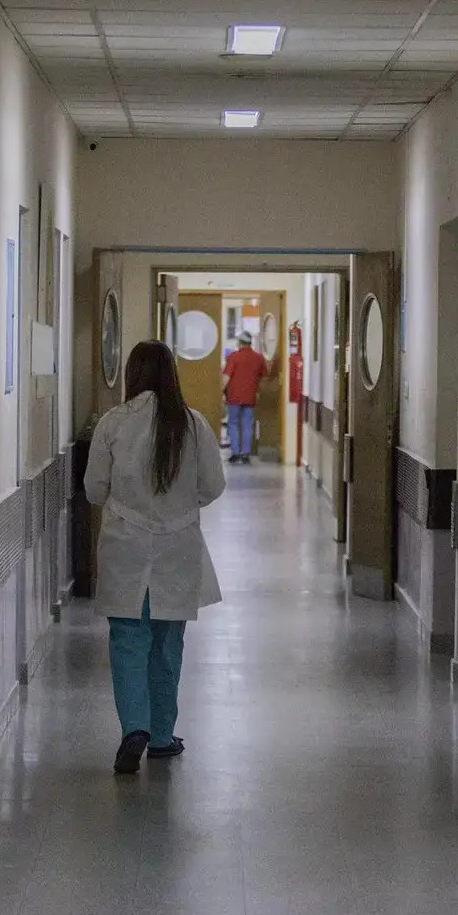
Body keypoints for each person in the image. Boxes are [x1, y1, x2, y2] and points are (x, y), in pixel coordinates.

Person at [85, 341, 228, 775]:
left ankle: (135, 728)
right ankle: (162, 737)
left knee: (128, 639)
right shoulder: (193, 424)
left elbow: (94, 488)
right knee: (167, 643)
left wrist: (128, 506)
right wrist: (179, 507)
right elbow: (213, 485)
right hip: (177, 548)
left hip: (125, 547)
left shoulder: (113, 423)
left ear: (133, 374)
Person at [221, 331, 267, 464]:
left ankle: (235, 453)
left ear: (239, 343)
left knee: (233, 423)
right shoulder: (259, 358)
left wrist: (221, 392)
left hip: (234, 397)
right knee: (247, 424)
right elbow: (264, 378)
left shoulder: (233, 357)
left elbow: (226, 377)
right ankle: (246, 454)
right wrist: (258, 392)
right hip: (250, 397)